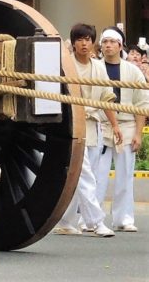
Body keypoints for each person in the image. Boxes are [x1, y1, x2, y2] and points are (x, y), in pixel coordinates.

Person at [53, 23, 118, 238]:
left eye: (88, 39)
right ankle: (96, 222)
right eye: (80, 39)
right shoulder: (67, 65)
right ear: (73, 42)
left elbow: (107, 97)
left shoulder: (98, 67)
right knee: (84, 174)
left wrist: (115, 125)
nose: (84, 43)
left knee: (82, 175)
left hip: (94, 125)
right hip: (74, 127)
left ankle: (66, 221)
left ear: (93, 43)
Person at [93, 27, 149, 232]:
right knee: (97, 174)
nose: (108, 45)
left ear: (120, 45)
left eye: (112, 41)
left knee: (125, 174)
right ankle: (93, 217)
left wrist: (138, 133)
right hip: (100, 123)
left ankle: (123, 217)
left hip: (126, 124)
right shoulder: (95, 67)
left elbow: (142, 103)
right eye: (105, 41)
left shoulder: (132, 71)